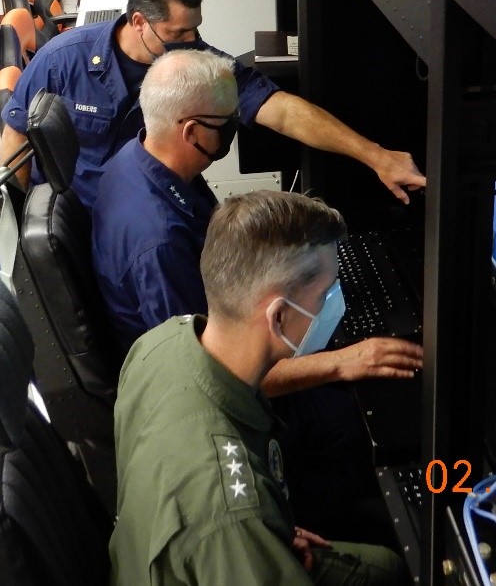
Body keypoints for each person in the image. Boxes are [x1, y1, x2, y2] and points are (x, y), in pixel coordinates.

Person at [95, 49, 422, 544]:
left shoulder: (137, 161)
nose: (232, 134)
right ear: (190, 131)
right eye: (226, 126)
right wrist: (342, 362)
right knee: (361, 415)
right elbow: (215, 376)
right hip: (228, 406)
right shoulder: (157, 242)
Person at [110, 190, 406, 586]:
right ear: (280, 317)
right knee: (390, 569)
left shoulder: (159, 344)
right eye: (326, 295)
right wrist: (249, 535)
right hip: (221, 542)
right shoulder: (231, 514)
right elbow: (221, 516)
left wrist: (267, 534)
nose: (335, 305)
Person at [1, 0, 425, 211]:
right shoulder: (63, 59)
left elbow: (281, 110)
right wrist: (37, 223)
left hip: (155, 199)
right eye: (178, 34)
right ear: (138, 23)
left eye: (195, 31)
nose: (192, 45)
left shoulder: (199, 62)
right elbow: (16, 138)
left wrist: (376, 156)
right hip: (90, 216)